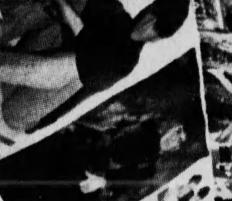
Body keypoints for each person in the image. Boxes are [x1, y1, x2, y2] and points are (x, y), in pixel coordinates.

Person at [0, 0, 190, 133]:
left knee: (69, 60)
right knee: (56, 13)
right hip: (23, 79)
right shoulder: (116, 14)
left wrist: (43, 123)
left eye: (156, 28)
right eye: (153, 17)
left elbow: (58, 76)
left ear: (158, 37)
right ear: (149, 9)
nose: (148, 26)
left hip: (21, 108)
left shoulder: (125, 62)